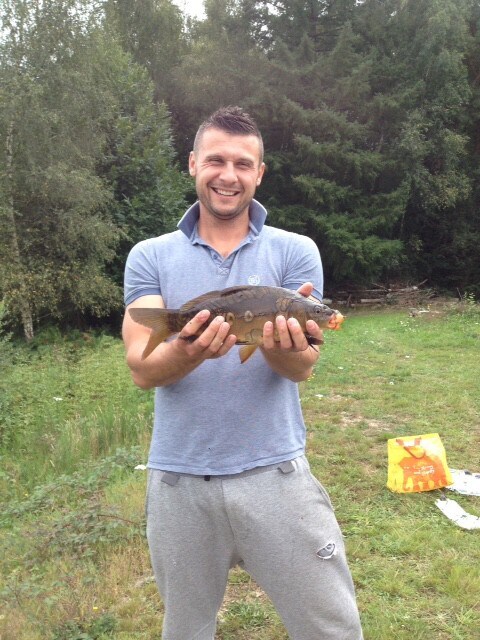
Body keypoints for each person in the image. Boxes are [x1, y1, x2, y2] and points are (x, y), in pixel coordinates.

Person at [122, 106, 363, 640]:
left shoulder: (296, 250)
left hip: (276, 473)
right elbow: (142, 370)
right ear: (191, 165)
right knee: (185, 631)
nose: (227, 175)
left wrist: (281, 344)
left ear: (260, 172)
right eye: (215, 160)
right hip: (178, 479)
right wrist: (192, 350)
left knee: (332, 628)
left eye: (242, 163)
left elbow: (302, 367)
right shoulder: (148, 256)